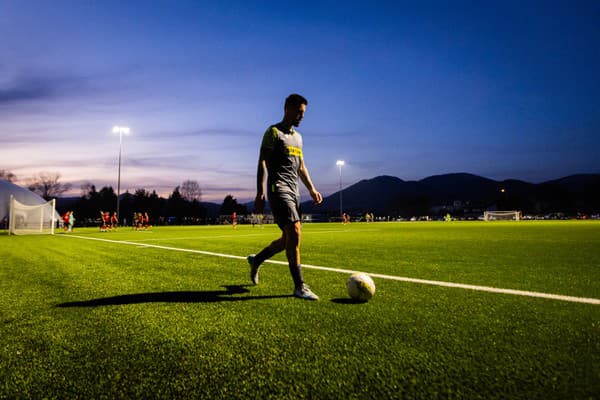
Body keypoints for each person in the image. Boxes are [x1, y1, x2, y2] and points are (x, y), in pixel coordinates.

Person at [247, 94, 323, 301]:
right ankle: (299, 286)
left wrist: (312, 189)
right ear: (287, 109)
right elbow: (262, 162)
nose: (302, 116)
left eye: (303, 113)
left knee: (288, 239)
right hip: (277, 189)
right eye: (299, 112)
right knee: (295, 233)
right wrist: (260, 192)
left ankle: (257, 259)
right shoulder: (273, 133)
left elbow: (301, 167)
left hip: (294, 191)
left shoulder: (298, 138)